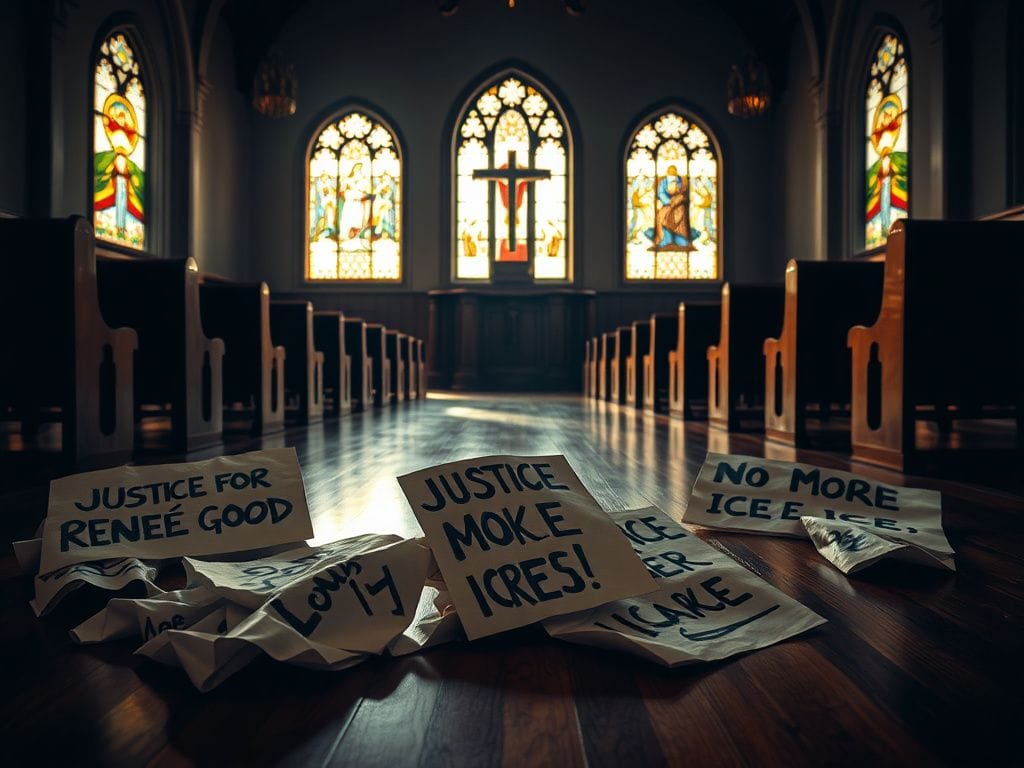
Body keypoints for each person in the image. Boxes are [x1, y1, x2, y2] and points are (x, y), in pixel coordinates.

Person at [645, 165, 700, 249]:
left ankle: (679, 237)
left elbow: (683, 194)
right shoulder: (663, 183)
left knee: (681, 217)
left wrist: (678, 199)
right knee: (662, 216)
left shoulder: (680, 182)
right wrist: (669, 202)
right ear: (667, 175)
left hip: (679, 206)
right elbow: (661, 194)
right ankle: (666, 237)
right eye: (670, 176)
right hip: (666, 205)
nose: (672, 178)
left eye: (673, 176)